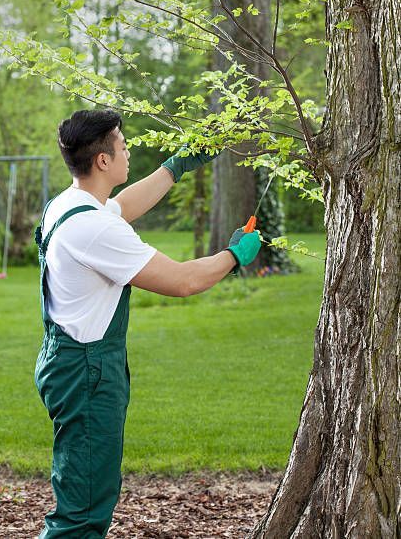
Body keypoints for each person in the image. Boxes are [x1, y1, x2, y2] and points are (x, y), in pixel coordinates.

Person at [34, 109, 261, 538]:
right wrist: (234, 256)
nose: (128, 150)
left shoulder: (70, 204)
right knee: (81, 513)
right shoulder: (95, 229)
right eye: (122, 145)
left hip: (67, 361)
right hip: (87, 373)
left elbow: (123, 206)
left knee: (87, 492)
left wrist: (174, 167)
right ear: (103, 161)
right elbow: (183, 281)